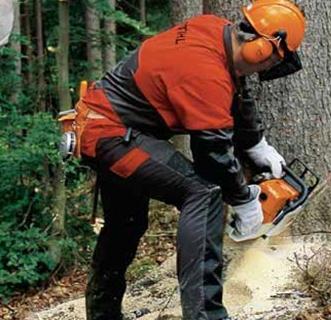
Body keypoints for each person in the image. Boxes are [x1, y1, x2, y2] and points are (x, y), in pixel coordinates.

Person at [79, 0, 306, 319]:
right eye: (272, 61)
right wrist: (243, 200)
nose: (266, 69)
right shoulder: (204, 71)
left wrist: (256, 142)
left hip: (106, 127)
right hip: (111, 134)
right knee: (204, 193)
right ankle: (205, 315)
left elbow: (236, 92)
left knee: (127, 224)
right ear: (260, 49)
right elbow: (212, 153)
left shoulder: (214, 31)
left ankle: (102, 314)